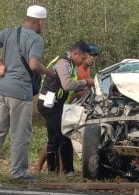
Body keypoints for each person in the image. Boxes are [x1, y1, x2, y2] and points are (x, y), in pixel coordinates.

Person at [0, 5, 55, 179]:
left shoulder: (9, 32)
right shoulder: (36, 40)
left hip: (0, 89)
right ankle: (19, 173)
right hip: (20, 92)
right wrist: (50, 72)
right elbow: (33, 65)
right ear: (41, 22)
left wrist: (0, 64)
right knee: (20, 135)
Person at [36, 43, 100, 172]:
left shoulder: (70, 64)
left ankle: (53, 171)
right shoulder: (63, 63)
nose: (83, 61)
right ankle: (67, 170)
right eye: (82, 58)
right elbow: (67, 85)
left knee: (54, 138)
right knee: (64, 134)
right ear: (75, 54)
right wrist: (86, 82)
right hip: (49, 104)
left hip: (56, 103)